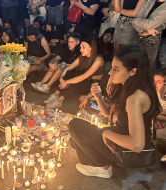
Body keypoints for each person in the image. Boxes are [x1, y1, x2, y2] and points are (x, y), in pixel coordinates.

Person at [68, 45, 161, 178]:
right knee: (74, 141)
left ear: (133, 71)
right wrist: (98, 97)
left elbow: (137, 144)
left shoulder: (135, 98)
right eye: (111, 67)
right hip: (122, 141)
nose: (110, 73)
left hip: (130, 153)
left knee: (75, 126)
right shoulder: (129, 86)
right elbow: (109, 114)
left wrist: (106, 133)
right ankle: (103, 156)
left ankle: (101, 167)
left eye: (116, 69)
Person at [44, 37, 105, 109]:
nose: (80, 49)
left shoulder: (98, 60)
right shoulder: (82, 57)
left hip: (94, 84)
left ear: (91, 48)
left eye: (83, 47)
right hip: (85, 79)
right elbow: (68, 68)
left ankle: (59, 100)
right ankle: (55, 94)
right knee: (69, 73)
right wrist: (61, 78)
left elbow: (83, 76)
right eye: (80, 47)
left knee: (78, 81)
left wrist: (66, 82)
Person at [132, 0, 166, 68]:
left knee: (145, 67)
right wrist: (145, 29)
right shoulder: (149, 1)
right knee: (132, 64)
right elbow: (137, 18)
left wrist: (135, 21)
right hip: (137, 35)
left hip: (151, 39)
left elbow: (151, 24)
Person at [154, 68, 166, 139]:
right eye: (154, 80)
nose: (155, 83)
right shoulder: (155, 92)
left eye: (158, 81)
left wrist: (155, 116)